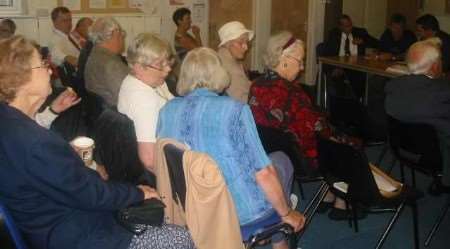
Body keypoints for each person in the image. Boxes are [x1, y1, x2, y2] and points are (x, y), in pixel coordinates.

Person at [0, 35, 194, 249]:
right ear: (22, 78)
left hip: (49, 222)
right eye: (43, 64)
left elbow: (58, 175)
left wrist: (69, 155)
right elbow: (91, 194)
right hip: (76, 234)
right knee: (181, 238)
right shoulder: (35, 143)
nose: (49, 70)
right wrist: (139, 192)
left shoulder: (10, 122)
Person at [157, 47, 305, 249]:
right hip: (241, 213)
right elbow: (263, 173)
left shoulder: (167, 110)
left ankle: (278, 231)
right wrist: (288, 213)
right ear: (219, 74)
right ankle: (280, 234)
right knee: (280, 161)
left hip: (192, 207)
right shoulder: (234, 110)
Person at [249, 31, 363, 220]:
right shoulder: (292, 92)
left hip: (272, 152)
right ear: (284, 60)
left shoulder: (257, 85)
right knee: (348, 146)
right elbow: (316, 130)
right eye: (300, 61)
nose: (302, 67)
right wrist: (344, 138)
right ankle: (342, 202)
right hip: (301, 160)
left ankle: (328, 195)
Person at [385, 39, 450, 194]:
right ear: (434, 66)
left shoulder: (393, 87)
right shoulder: (442, 94)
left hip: (402, 150)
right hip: (435, 157)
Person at [118, 33, 174, 172]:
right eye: (161, 65)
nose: (168, 69)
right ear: (139, 67)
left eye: (167, 62)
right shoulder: (144, 100)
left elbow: (173, 103)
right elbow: (149, 160)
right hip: (166, 159)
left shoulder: (150, 81)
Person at [324, 14, 379, 99]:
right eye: (345, 26)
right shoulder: (333, 34)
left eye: (350, 25)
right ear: (340, 27)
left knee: (364, 80)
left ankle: (358, 102)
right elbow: (328, 54)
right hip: (340, 65)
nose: (349, 28)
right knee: (337, 79)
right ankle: (341, 103)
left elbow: (376, 43)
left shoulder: (360, 32)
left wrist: (363, 41)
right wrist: (334, 67)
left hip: (356, 66)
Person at [85, 17, 128, 107]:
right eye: (122, 34)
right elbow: (129, 97)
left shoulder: (95, 54)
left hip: (102, 113)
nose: (123, 38)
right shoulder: (112, 64)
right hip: (117, 114)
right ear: (115, 33)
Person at [217, 21, 254, 104]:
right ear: (227, 44)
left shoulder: (227, 58)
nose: (246, 47)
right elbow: (242, 101)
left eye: (246, 42)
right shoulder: (228, 66)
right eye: (241, 42)